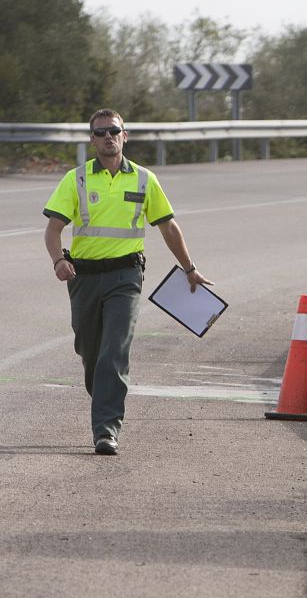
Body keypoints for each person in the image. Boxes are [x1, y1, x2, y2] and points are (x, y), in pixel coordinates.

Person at [43, 108, 211, 456]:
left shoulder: (144, 179)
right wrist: (59, 259)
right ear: (92, 139)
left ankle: (106, 430)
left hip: (126, 277)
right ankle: (104, 397)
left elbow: (168, 226)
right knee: (91, 354)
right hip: (84, 278)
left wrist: (190, 268)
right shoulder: (76, 179)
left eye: (113, 131)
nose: (108, 137)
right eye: (100, 132)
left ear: (125, 135)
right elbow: (53, 229)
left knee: (114, 351)